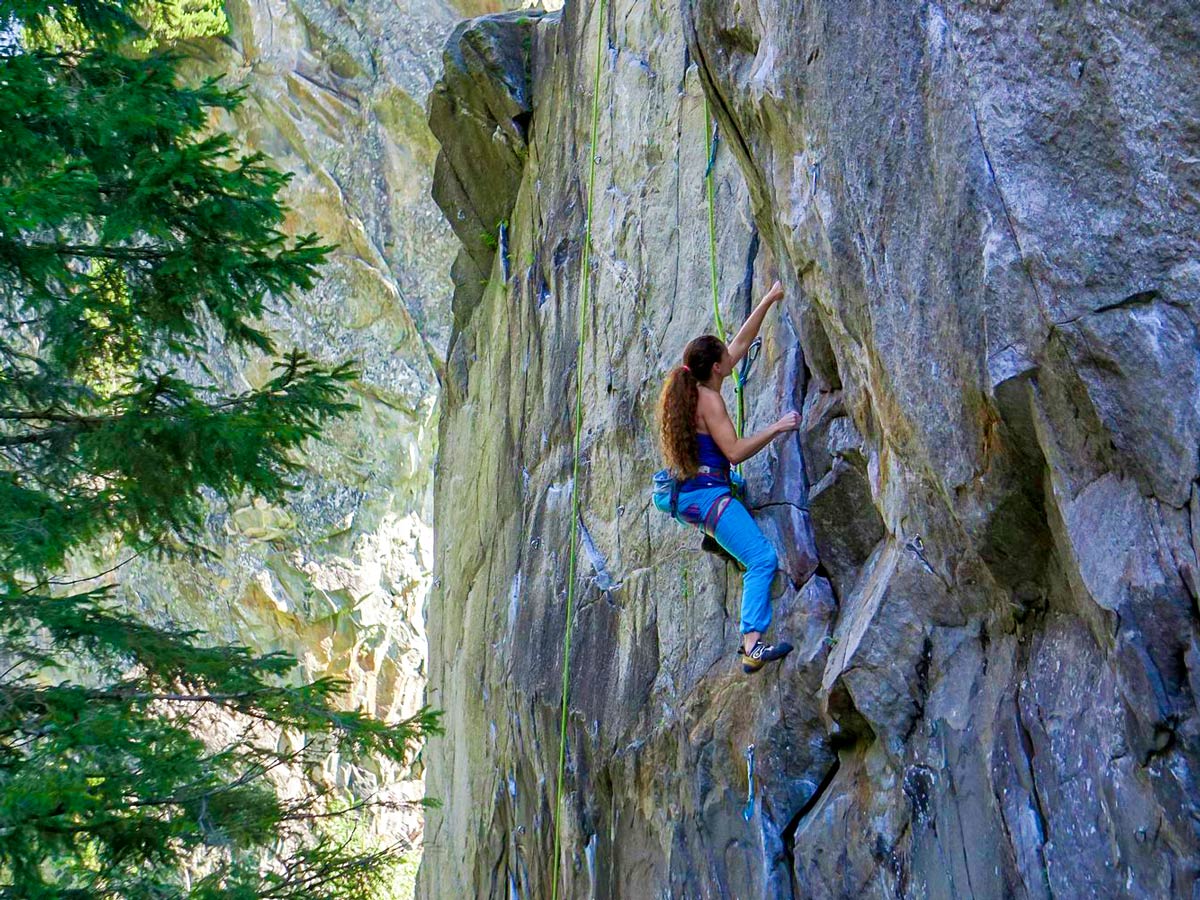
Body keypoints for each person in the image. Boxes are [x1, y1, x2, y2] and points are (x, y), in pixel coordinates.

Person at [657, 280, 801, 674]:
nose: (731, 355)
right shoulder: (710, 401)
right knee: (761, 558)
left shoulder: (697, 387)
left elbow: (738, 343)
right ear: (717, 368)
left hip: (698, 494)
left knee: (742, 525)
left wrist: (769, 300)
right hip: (709, 497)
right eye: (726, 357)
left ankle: (720, 540)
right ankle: (751, 646)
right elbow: (735, 452)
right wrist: (777, 427)